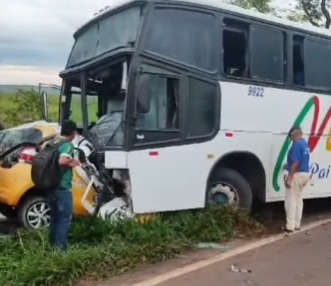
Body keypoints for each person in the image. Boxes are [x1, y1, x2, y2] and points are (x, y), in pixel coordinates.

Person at [49, 120, 80, 251]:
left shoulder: (53, 142)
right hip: (62, 187)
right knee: (64, 220)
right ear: (73, 133)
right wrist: (74, 162)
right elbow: (62, 161)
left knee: (55, 219)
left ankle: (52, 247)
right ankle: (61, 251)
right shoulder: (67, 145)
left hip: (51, 185)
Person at [284, 126, 310, 233]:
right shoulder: (305, 144)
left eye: (291, 137)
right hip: (305, 174)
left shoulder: (296, 145)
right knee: (299, 200)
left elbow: (296, 163)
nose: (291, 139)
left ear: (295, 135)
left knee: (291, 200)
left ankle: (290, 226)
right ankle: (297, 224)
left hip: (296, 175)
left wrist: (289, 177)